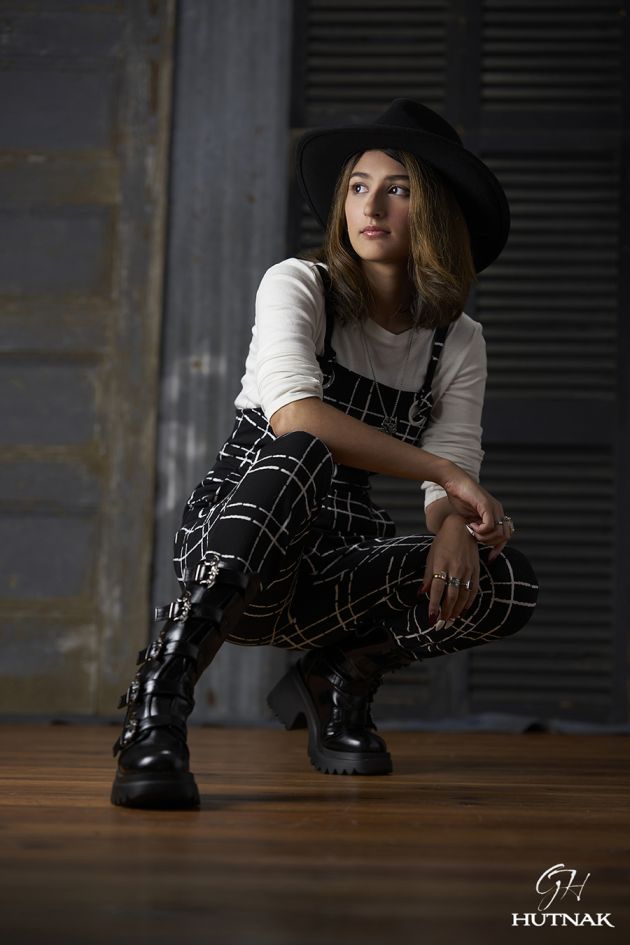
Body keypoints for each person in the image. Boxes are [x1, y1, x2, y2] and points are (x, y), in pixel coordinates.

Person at [110, 99, 538, 809]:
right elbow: (294, 414)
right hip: (236, 547)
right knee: (304, 447)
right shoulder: (298, 283)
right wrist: (443, 473)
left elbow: (455, 458)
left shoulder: (458, 340)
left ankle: (338, 677)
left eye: (398, 189)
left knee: (507, 581)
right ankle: (158, 701)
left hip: (333, 566)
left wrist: (458, 526)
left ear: (435, 211)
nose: (371, 206)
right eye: (358, 186)